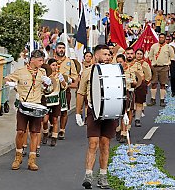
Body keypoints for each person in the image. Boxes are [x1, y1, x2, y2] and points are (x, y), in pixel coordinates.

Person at [75, 45, 118, 189]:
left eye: (109, 54)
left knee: (105, 144)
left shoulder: (115, 71)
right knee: (93, 143)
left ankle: (103, 176)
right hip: (94, 112)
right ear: (96, 56)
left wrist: (123, 112)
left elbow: (121, 92)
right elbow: (80, 93)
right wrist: (77, 113)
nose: (108, 56)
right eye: (105, 54)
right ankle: (88, 175)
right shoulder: (88, 72)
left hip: (110, 112)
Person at [4, 50, 52, 171]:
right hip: (24, 105)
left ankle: (32, 160)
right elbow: (7, 79)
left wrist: (47, 84)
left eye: (43, 60)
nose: (42, 63)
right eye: (40, 60)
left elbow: (47, 90)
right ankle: (18, 156)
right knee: (21, 131)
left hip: (36, 105)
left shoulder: (43, 72)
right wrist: (10, 84)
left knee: (35, 132)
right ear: (32, 60)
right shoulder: (21, 72)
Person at [54, 42, 79, 140]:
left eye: (63, 48)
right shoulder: (51, 61)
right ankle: (52, 127)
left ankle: (62, 130)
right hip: (53, 90)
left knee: (64, 111)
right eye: (59, 48)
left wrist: (68, 80)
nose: (61, 50)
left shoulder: (69, 62)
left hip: (64, 89)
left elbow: (75, 76)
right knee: (52, 111)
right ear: (56, 49)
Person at [42, 59, 68, 147]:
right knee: (45, 120)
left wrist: (62, 80)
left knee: (55, 119)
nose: (55, 67)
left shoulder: (59, 75)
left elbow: (64, 86)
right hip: (46, 100)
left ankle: (54, 137)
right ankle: (45, 133)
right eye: (53, 65)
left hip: (56, 100)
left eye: (56, 65)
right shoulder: (44, 75)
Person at [148, 33, 175, 107]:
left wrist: (168, 63)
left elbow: (172, 57)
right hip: (155, 67)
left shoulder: (169, 47)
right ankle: (152, 99)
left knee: (163, 84)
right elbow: (150, 56)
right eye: (160, 37)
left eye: (163, 38)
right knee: (154, 83)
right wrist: (152, 62)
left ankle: (162, 100)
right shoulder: (154, 46)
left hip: (164, 67)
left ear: (165, 39)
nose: (161, 39)